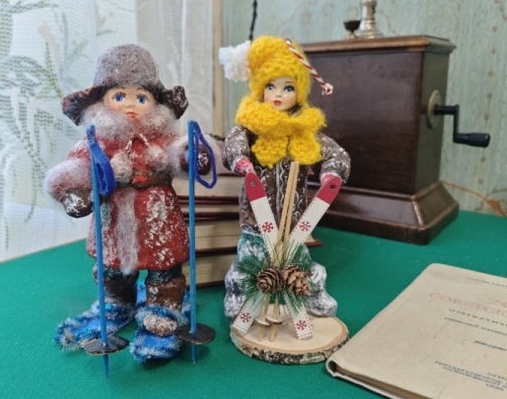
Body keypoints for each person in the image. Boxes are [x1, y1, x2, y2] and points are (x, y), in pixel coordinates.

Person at [44, 44, 216, 361]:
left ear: (154, 102)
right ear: (103, 100)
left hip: (159, 221)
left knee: (165, 269)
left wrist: (193, 156)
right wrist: (73, 192)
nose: (131, 105)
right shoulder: (95, 141)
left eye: (141, 97)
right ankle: (117, 301)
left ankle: (163, 306)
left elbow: (180, 152)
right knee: (113, 269)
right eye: (120, 96)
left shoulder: (161, 137)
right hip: (113, 220)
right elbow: (74, 170)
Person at [219, 36, 351, 320]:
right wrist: (240, 160)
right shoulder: (250, 127)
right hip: (256, 221)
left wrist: (332, 173)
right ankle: (239, 294)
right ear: (260, 88)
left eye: (288, 87)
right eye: (271, 86)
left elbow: (336, 154)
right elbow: (232, 142)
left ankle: (311, 293)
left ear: (299, 92)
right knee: (250, 261)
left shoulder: (305, 131)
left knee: (299, 263)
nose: (278, 94)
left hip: (294, 225)